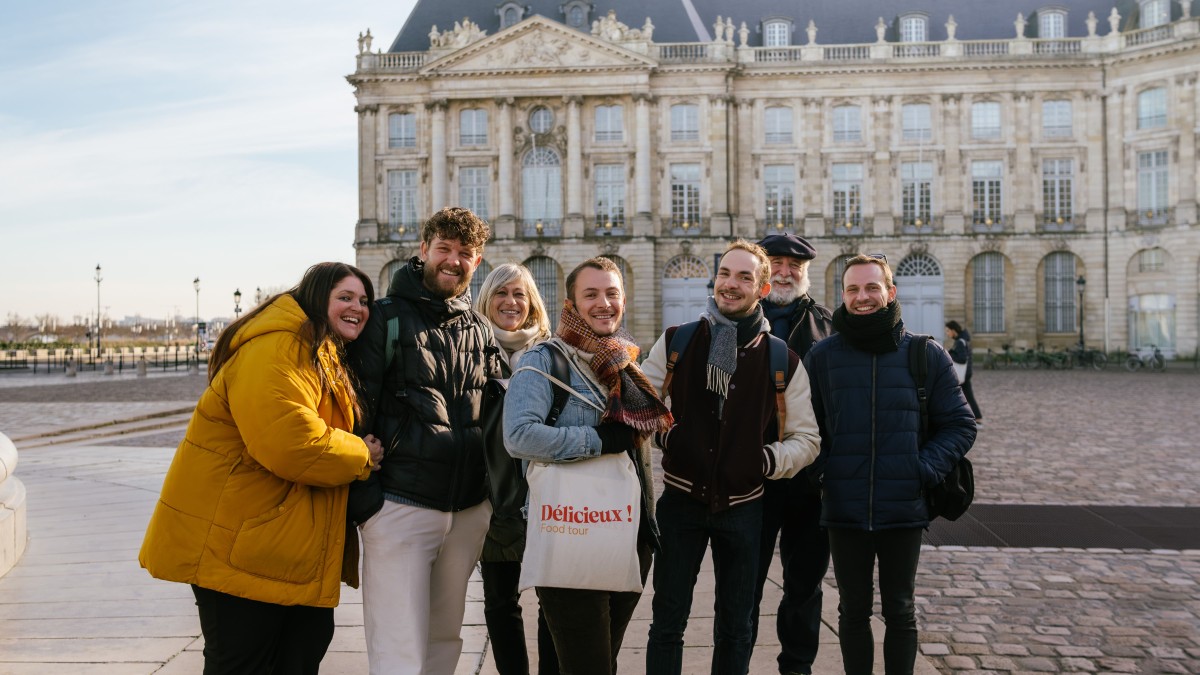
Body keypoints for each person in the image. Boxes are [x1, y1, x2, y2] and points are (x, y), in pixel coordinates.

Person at [139, 262, 383, 674]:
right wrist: (361, 454)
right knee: (244, 662)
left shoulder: (315, 348)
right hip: (242, 542)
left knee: (300, 649)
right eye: (344, 297)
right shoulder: (278, 347)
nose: (357, 307)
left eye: (363, 301)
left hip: (271, 543)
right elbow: (292, 444)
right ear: (315, 297)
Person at [641, 239, 822, 675]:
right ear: (715, 279)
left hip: (744, 508)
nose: (731, 284)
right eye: (725, 273)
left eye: (744, 277)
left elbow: (807, 439)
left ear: (761, 289)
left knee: (736, 628)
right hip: (681, 503)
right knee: (666, 624)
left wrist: (763, 462)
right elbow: (640, 406)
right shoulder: (677, 342)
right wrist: (668, 439)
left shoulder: (782, 358)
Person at [804, 254, 976, 675]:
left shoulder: (925, 354)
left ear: (890, 292)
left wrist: (922, 470)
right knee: (852, 610)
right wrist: (825, 473)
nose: (862, 297)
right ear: (842, 295)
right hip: (844, 508)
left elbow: (960, 424)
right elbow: (803, 429)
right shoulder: (823, 357)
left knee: (900, 609)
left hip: (903, 506)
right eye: (853, 289)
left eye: (871, 288)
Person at [503, 257, 672, 675]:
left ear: (624, 300)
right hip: (572, 531)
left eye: (611, 294)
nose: (603, 303)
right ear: (571, 305)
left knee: (590, 662)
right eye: (591, 294)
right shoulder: (544, 360)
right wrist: (598, 440)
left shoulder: (622, 360)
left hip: (629, 534)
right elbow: (519, 436)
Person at [348, 206, 498, 675]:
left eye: (466, 253)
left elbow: (496, 416)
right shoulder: (385, 318)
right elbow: (356, 413)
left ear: (477, 262)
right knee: (399, 646)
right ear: (424, 250)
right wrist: (370, 505)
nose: (454, 260)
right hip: (401, 505)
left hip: (467, 510)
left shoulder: (478, 327)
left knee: (443, 642)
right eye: (445, 249)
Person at [751, 233, 834, 675]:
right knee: (743, 585)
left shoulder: (826, 325)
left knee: (804, 586)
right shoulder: (736, 322)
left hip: (810, 481)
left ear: (805, 272)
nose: (785, 272)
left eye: (794, 265)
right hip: (751, 479)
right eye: (777, 263)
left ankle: (797, 667)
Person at [473, 263, 559, 675]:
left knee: (552, 601)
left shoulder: (551, 355)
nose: (511, 302)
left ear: (532, 303)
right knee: (500, 600)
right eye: (501, 293)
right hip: (491, 496)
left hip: (543, 493)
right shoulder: (469, 353)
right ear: (486, 299)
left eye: (520, 294)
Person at [945, 320, 983, 426]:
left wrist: (949, 354)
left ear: (953, 330)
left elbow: (962, 358)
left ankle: (973, 419)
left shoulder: (960, 341)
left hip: (962, 375)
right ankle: (977, 418)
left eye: (948, 331)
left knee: (954, 396)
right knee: (967, 397)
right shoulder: (962, 339)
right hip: (965, 374)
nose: (947, 334)